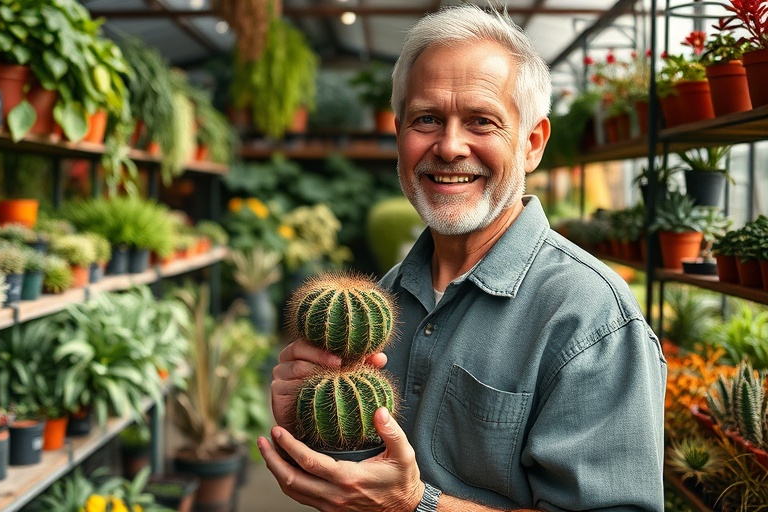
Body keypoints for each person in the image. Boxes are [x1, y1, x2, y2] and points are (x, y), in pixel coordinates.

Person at [257, 5, 667, 511]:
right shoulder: (381, 300)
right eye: (426, 119)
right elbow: (363, 484)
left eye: (481, 121)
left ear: (532, 143)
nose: (449, 147)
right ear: (399, 133)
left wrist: (417, 504)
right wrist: (312, 421)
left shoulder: (590, 317)